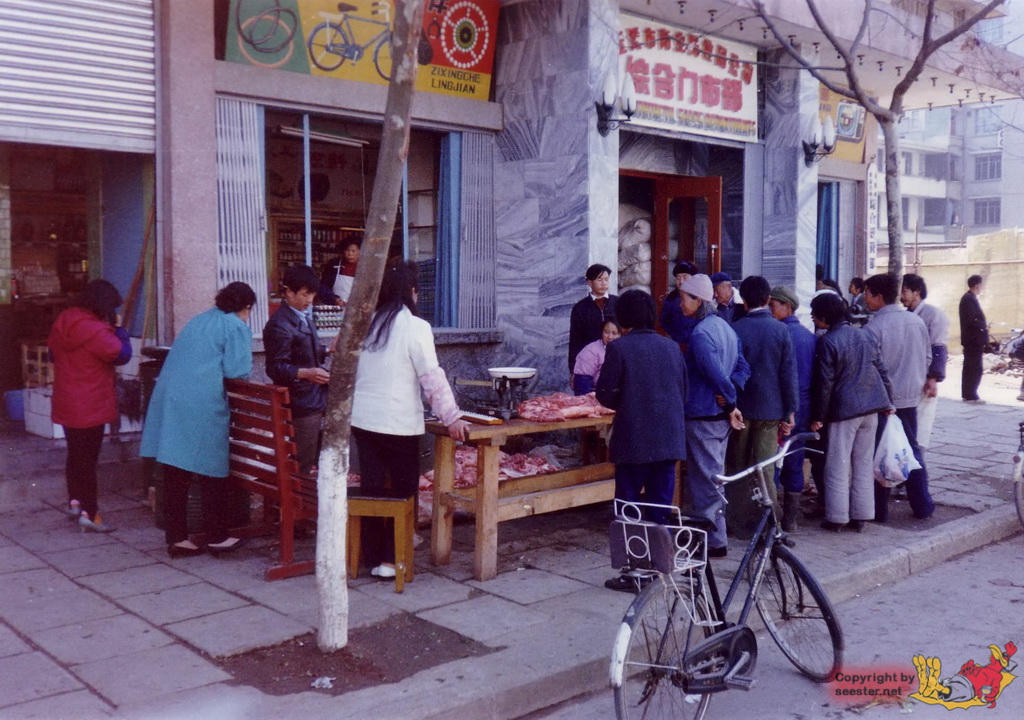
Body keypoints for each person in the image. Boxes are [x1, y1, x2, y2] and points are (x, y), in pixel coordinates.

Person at [352, 262, 468, 579]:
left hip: (363, 421)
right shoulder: (415, 327)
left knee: (373, 488)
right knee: (404, 490)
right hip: (397, 423)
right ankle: (391, 559)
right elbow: (431, 377)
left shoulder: (367, 324)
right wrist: (452, 417)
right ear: (412, 293)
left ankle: (371, 556)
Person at [140, 282, 256, 557]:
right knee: (211, 467)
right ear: (246, 307)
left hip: (171, 397)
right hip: (202, 401)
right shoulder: (235, 326)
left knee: (175, 466)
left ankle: (177, 538)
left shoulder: (199, 320)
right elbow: (236, 371)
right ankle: (217, 536)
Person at [597, 289, 688, 591]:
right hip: (669, 439)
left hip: (634, 440)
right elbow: (683, 392)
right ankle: (659, 568)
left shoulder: (619, 348)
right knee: (660, 507)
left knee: (629, 507)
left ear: (624, 317)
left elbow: (604, 395)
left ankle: (635, 572)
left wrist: (628, 401)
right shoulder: (672, 347)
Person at [48, 279, 133, 533]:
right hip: (90, 403)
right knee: (88, 460)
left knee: (75, 454)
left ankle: (75, 503)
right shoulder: (96, 331)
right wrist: (120, 329)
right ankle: (90, 513)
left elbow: (52, 354)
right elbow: (122, 355)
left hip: (67, 400)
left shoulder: (64, 321)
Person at [809, 293, 894, 532]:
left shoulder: (828, 341)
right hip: (871, 408)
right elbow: (881, 370)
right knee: (863, 463)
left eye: (815, 313)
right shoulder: (866, 334)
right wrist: (888, 401)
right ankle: (862, 515)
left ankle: (837, 517)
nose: (813, 317)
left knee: (837, 464)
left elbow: (825, 384)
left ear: (825, 316)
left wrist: (818, 417)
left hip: (844, 412)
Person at [678, 274, 749, 558]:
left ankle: (714, 540)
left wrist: (728, 400)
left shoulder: (701, 333)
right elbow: (742, 368)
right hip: (717, 415)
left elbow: (715, 373)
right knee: (714, 477)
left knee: (705, 480)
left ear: (698, 300)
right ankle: (714, 536)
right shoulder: (724, 328)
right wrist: (730, 395)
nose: (680, 304)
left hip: (704, 414)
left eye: (684, 299)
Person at [725, 275, 798, 539]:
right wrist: (790, 410)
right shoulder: (780, 330)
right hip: (770, 410)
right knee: (765, 467)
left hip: (740, 409)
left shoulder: (735, 329)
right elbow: (788, 374)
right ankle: (770, 525)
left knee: (737, 466)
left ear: (743, 301)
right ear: (768, 299)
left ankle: (737, 523)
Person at [863, 273, 934, 522]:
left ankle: (879, 511)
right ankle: (923, 505)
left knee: (881, 454)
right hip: (910, 398)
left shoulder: (873, 328)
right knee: (909, 451)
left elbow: (870, 370)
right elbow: (927, 357)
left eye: (867, 294)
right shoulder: (916, 322)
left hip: (883, 402)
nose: (864, 299)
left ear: (878, 296)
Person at [264, 265, 330, 473]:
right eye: (305, 294)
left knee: (314, 457)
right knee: (302, 462)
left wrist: (328, 350)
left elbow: (302, 351)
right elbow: (275, 368)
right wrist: (306, 373)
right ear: (288, 292)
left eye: (312, 294)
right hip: (300, 402)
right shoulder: (279, 324)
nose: (310, 300)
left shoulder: (302, 316)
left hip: (314, 397)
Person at [768, 285, 816, 532]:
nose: (769, 309)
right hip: (804, 406)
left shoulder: (778, 334)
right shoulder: (809, 337)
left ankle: (773, 518)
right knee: (794, 460)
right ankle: (790, 519)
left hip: (782, 406)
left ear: (787, 307)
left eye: (773, 305)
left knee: (773, 459)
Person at [901, 274, 949, 448]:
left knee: (920, 427)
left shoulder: (933, 315)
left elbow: (939, 347)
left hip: (924, 378)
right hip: (906, 377)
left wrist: (933, 378)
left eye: (904, 291)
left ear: (917, 292)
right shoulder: (905, 315)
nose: (901, 296)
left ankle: (918, 460)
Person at [568, 263, 617, 379]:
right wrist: (573, 370)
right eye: (599, 280)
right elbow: (575, 340)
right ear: (590, 283)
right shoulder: (580, 308)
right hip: (589, 360)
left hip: (615, 357)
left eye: (606, 279)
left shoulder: (618, 303)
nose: (604, 283)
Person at [572, 317, 621, 395]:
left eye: (614, 333)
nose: (610, 337)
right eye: (606, 332)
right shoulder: (591, 350)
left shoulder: (625, 349)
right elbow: (582, 382)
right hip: (596, 395)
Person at [959, 274, 987, 404]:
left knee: (972, 366)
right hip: (973, 340)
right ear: (977, 285)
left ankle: (969, 393)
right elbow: (971, 320)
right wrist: (982, 326)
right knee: (973, 367)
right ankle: (970, 394)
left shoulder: (970, 298)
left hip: (973, 340)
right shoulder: (968, 299)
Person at [659, 260, 699, 346]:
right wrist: (675, 335)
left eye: (685, 277)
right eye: (678, 278)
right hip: (677, 343)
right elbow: (664, 320)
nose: (681, 282)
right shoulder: (671, 298)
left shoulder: (700, 296)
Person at [319, 237, 360, 306]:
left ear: (359, 251)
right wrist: (334, 298)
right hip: (336, 307)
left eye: (353, 251)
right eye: (347, 250)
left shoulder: (365, 267)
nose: (350, 254)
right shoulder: (333, 264)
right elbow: (323, 287)